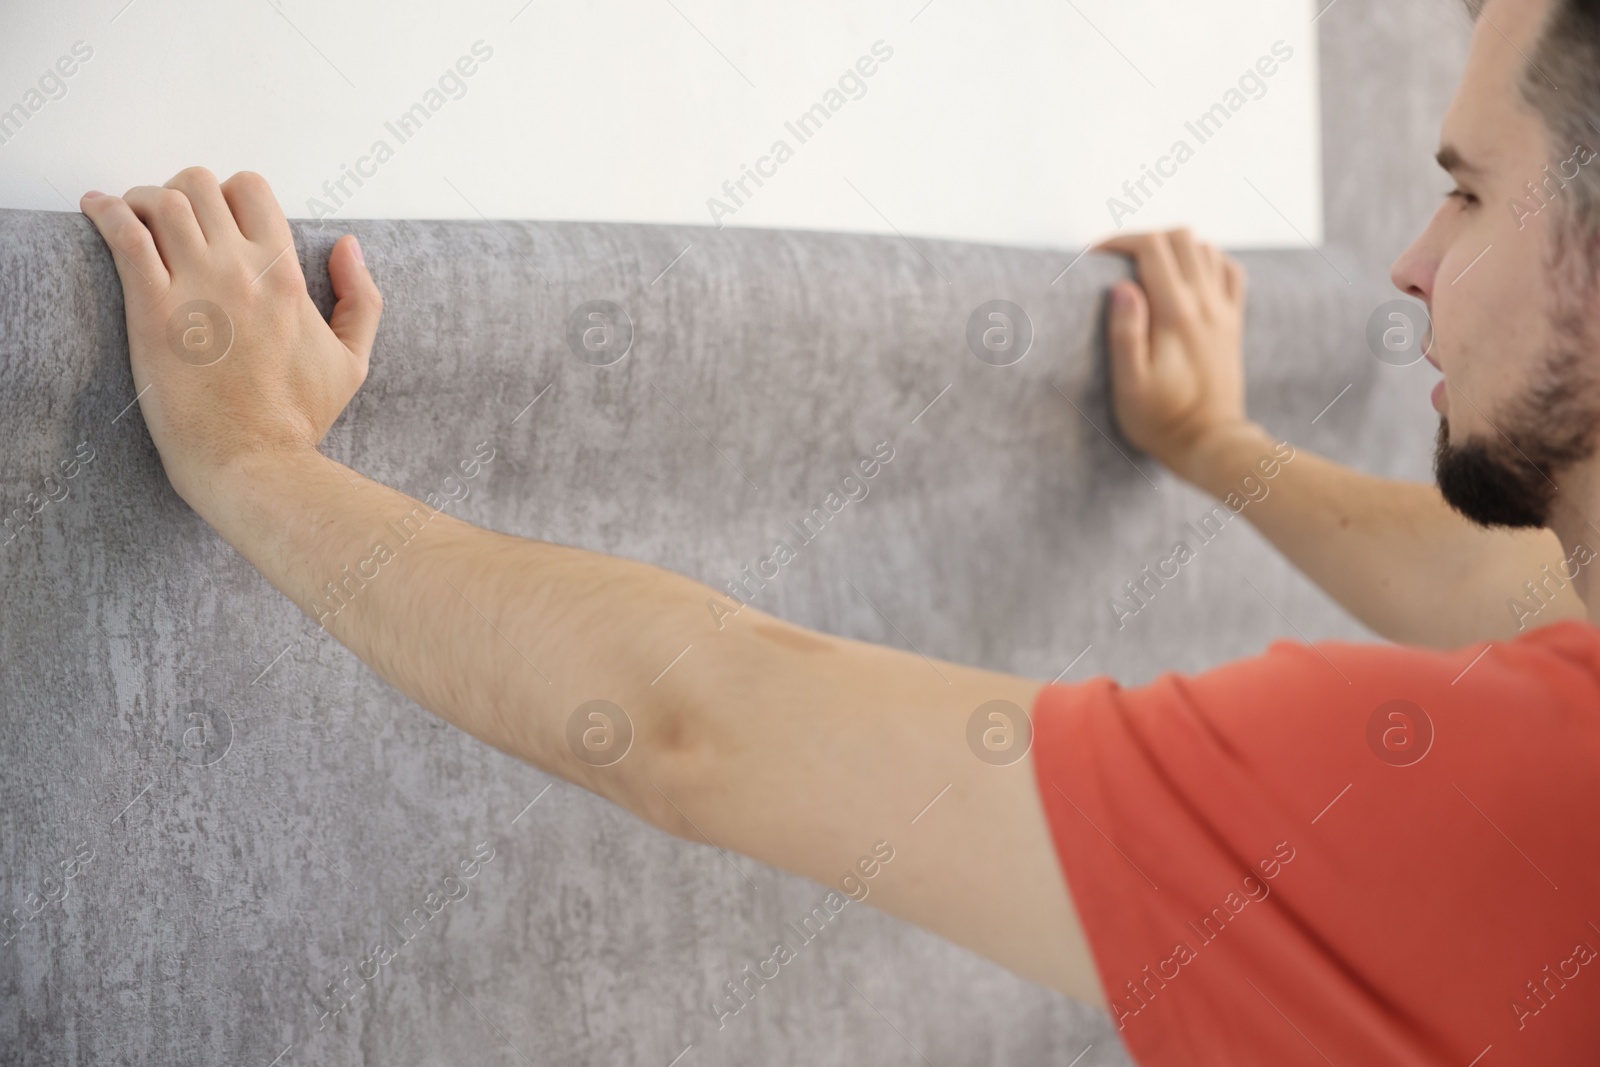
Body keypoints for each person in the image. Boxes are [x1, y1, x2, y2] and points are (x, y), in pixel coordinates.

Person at [75, 0, 1600, 1059]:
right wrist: (1214, 447)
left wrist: (255, 455)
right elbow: (1507, 582)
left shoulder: (1524, 806)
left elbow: (700, 727)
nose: (1410, 261)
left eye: (1467, 195)